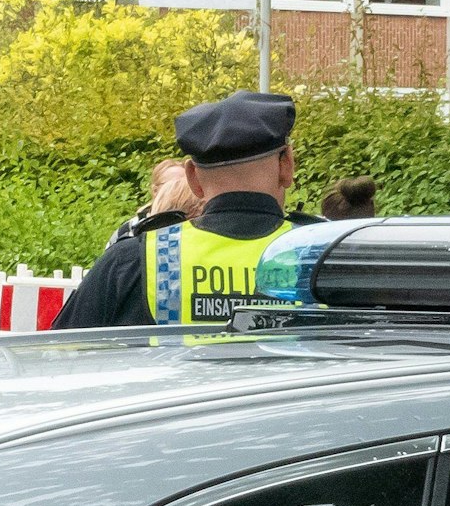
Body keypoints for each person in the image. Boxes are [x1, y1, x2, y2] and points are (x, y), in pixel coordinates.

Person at [54, 91, 320, 329]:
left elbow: (61, 356)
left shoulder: (133, 261)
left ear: (192, 177)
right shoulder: (326, 255)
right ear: (287, 165)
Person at [106, 158, 202, 248]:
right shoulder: (128, 230)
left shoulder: (201, 224)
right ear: (155, 191)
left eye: (185, 183)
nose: (180, 188)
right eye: (171, 184)